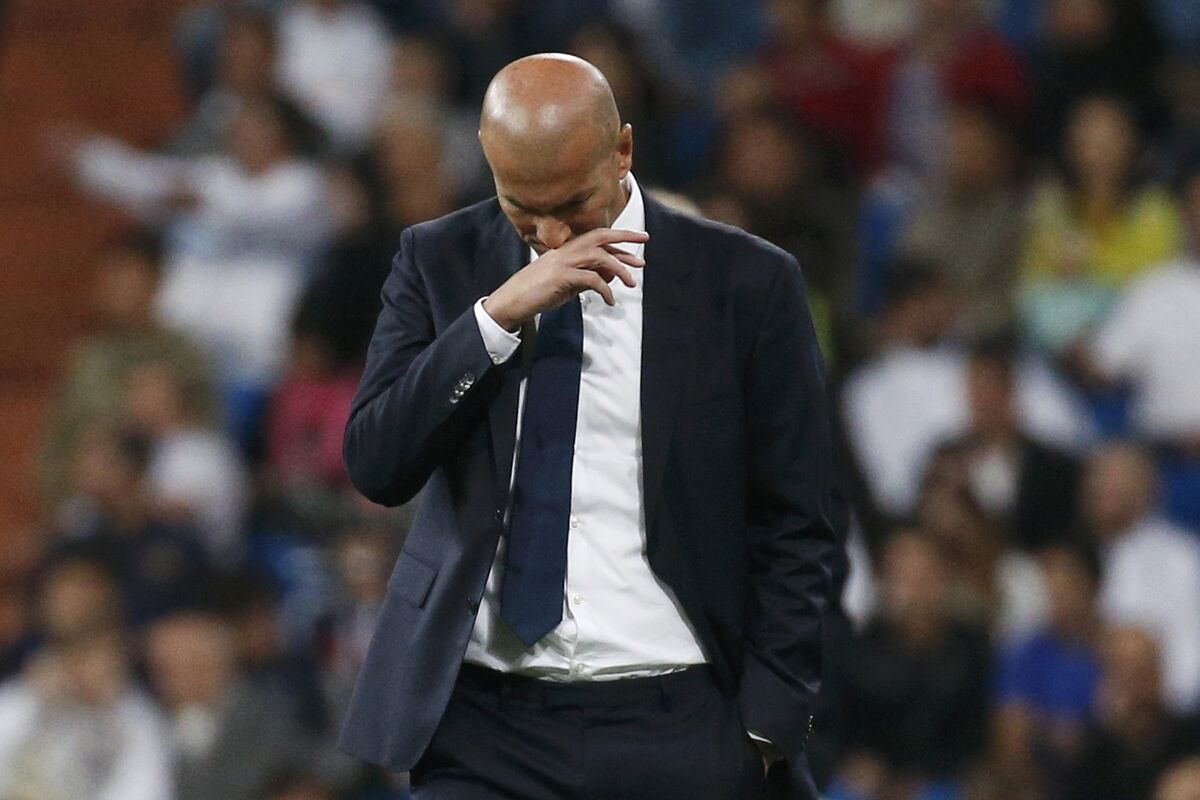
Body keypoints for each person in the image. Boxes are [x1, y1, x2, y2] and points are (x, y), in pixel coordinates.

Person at [336, 54, 843, 799]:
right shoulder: (438, 260)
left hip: (678, 716)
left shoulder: (746, 281)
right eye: (521, 207)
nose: (548, 234)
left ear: (623, 150)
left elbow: (799, 519)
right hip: (484, 722)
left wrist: (768, 723)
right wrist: (495, 318)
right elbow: (377, 463)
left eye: (573, 204)